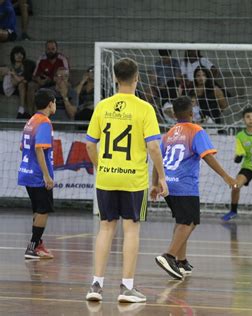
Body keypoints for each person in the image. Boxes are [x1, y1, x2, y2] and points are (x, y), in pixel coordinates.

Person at [85, 57, 169, 303]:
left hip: (107, 178)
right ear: (137, 78)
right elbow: (153, 146)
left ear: (113, 78)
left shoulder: (103, 106)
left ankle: (96, 285)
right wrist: (161, 177)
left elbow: (90, 144)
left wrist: (102, 167)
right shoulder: (144, 108)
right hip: (133, 180)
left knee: (105, 228)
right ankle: (127, 288)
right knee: (131, 230)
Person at [154, 96, 236, 280]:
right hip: (184, 184)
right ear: (192, 113)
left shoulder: (169, 133)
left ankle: (181, 261)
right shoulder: (196, 131)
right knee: (189, 222)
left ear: (174, 114)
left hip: (167, 183)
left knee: (182, 221)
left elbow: (157, 158)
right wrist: (226, 176)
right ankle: (168, 256)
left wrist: (155, 183)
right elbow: (207, 156)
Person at [18, 89, 56, 259]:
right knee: (43, 210)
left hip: (26, 172)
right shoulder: (45, 122)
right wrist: (47, 176)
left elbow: (22, 147)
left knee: (38, 209)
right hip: (37, 175)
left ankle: (38, 244)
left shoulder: (31, 120)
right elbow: (39, 148)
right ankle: (32, 247)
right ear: (50, 104)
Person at [27, 40, 69, 114]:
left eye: (53, 49)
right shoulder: (41, 59)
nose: (50, 51)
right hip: (43, 84)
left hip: (58, 83)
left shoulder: (62, 59)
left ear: (57, 49)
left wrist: (52, 79)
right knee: (31, 85)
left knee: (67, 85)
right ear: (45, 49)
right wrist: (39, 80)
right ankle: (31, 114)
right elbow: (34, 76)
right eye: (48, 49)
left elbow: (67, 76)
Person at [2, 46, 36, 119]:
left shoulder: (27, 66)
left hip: (20, 87)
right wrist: (15, 75)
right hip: (8, 86)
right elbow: (14, 82)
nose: (19, 55)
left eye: (21, 54)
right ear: (13, 55)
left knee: (22, 84)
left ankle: (22, 111)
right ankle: (21, 111)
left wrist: (16, 76)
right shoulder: (11, 68)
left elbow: (24, 80)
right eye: (17, 54)